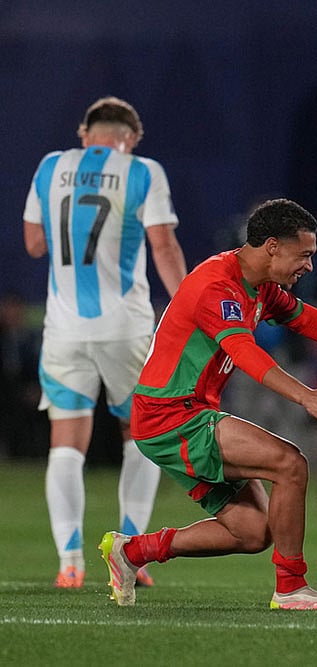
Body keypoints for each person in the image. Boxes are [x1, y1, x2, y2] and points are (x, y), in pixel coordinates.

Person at [97, 198, 317, 610]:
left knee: (251, 532)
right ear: (272, 247)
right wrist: (307, 396)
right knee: (290, 464)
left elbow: (308, 320)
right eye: (305, 255)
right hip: (170, 416)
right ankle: (292, 588)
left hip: (187, 414)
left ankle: (132, 552)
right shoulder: (217, 285)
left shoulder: (260, 285)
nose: (309, 266)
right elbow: (245, 353)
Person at [22, 96, 188, 589]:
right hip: (126, 328)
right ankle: (130, 556)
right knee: (140, 435)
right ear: (131, 139)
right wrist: (187, 306)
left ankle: (69, 561)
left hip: (65, 329)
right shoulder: (142, 171)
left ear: (84, 133)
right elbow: (163, 244)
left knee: (66, 445)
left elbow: (33, 245)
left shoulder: (51, 166)